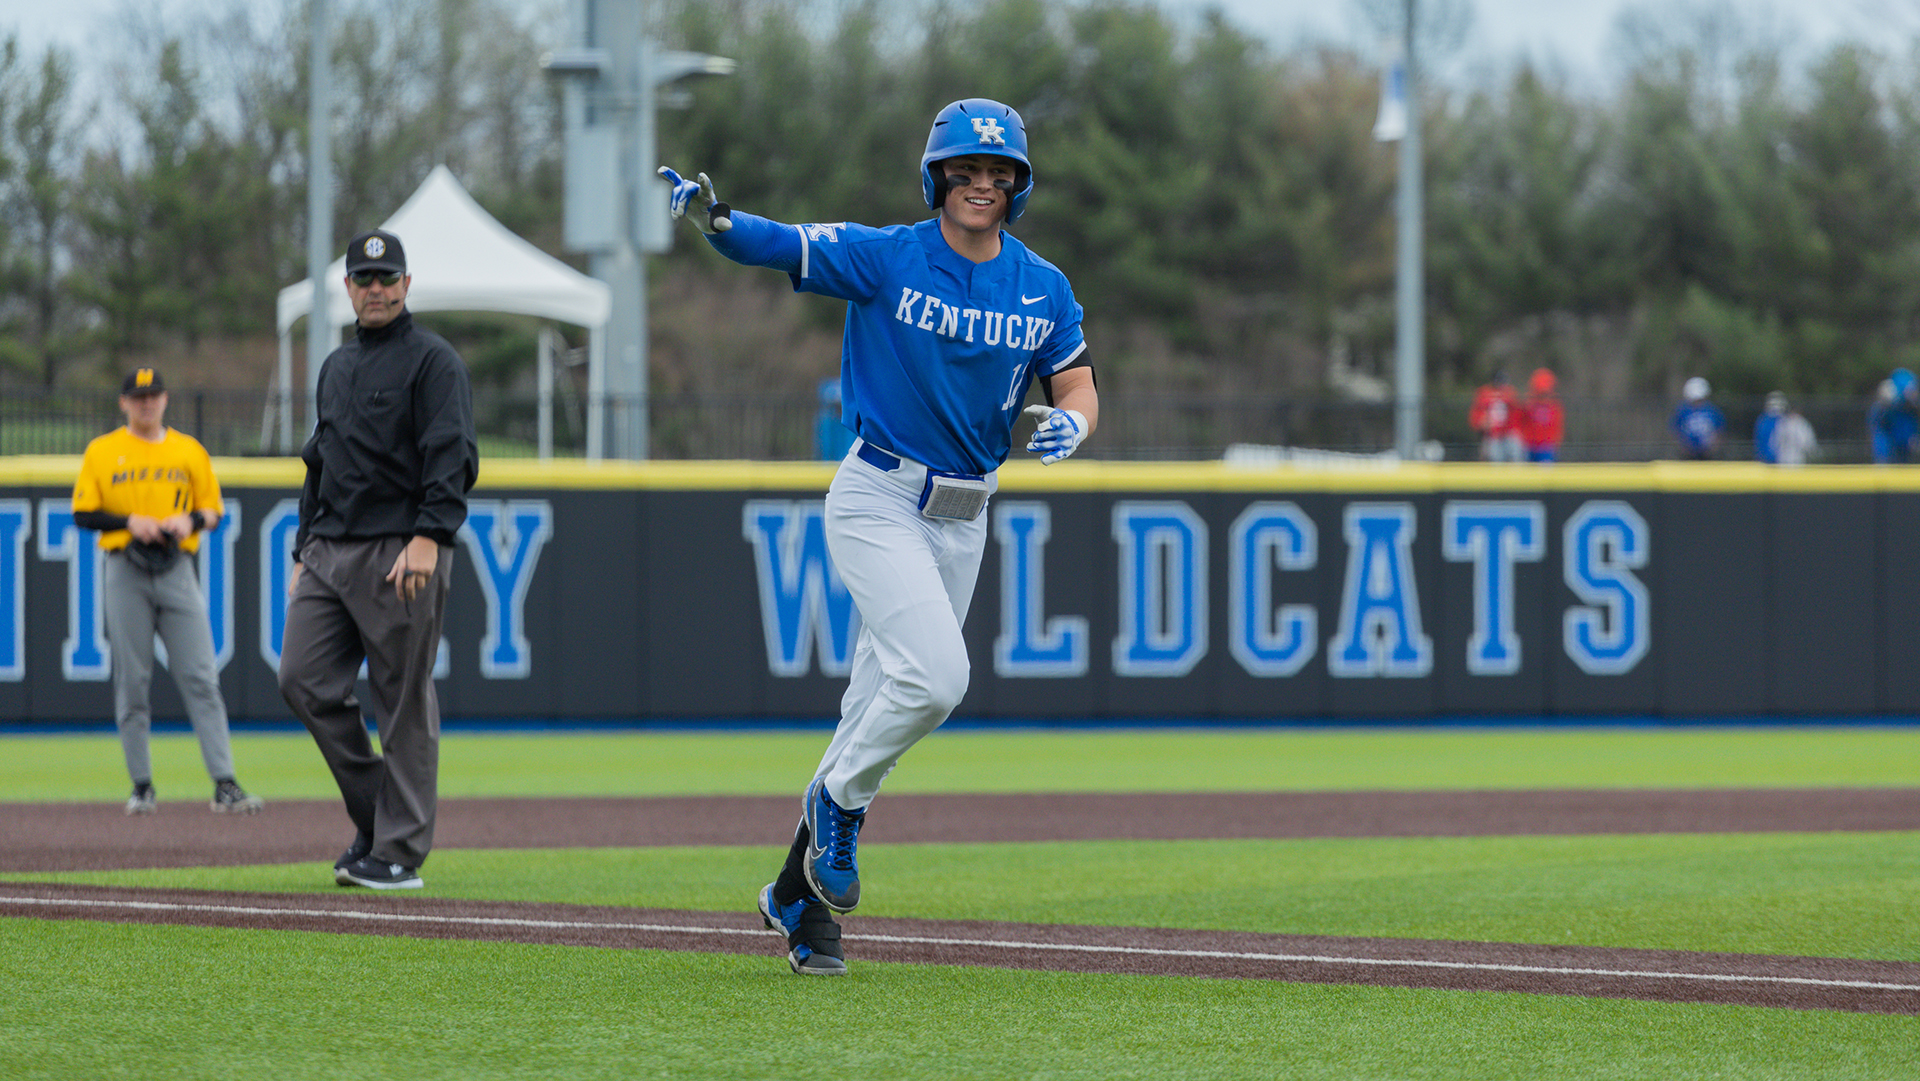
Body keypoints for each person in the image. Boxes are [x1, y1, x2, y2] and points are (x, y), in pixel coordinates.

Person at [659, 96, 1097, 976]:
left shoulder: (1043, 284)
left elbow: (1077, 385)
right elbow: (783, 244)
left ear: (1019, 184)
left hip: (965, 516)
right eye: (966, 171)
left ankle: (797, 897)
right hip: (878, 495)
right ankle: (838, 807)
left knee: (873, 710)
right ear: (937, 177)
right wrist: (719, 220)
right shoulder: (891, 255)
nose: (982, 184)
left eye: (998, 172)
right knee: (936, 679)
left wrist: (1075, 426)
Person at [278, 228, 477, 891]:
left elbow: (452, 456)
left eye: (387, 278)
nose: (376, 289)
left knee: (402, 702)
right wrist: (304, 548)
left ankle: (399, 853)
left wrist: (430, 537)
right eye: (364, 279)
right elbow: (318, 462)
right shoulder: (336, 366)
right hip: (329, 549)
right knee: (301, 679)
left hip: (401, 548)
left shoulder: (433, 360)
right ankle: (379, 814)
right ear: (348, 288)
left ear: (407, 284)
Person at [71, 368, 264, 816]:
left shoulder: (188, 450)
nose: (146, 403)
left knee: (200, 675)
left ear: (165, 399)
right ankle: (141, 785)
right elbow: (83, 514)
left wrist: (190, 521)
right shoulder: (103, 451)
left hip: (177, 566)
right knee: (133, 680)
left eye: (153, 395)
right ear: (124, 403)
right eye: (138, 396)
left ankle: (225, 783)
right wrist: (128, 522)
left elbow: (212, 510)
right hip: (125, 568)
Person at [1468, 369, 1523, 461]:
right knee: (1494, 458)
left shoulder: (1510, 393)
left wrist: (1516, 429)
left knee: (1516, 450)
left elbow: (1517, 414)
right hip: (1491, 435)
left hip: (1507, 433)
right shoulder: (1484, 393)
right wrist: (1481, 423)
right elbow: (1476, 418)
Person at [1755, 391, 1816, 466]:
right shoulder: (1784, 422)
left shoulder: (1784, 422)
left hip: (1788, 461)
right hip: (1787, 461)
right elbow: (1807, 443)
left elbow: (1774, 441)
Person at [1870, 369, 1917, 464]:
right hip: (1889, 447)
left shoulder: (1910, 408)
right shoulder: (1885, 407)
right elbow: (1879, 429)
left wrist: (1914, 436)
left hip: (1904, 446)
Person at [1517, 367, 1563, 463]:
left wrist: (1553, 443)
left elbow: (1557, 428)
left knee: (1545, 473)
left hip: (1546, 447)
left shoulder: (1554, 406)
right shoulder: (1528, 404)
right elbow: (1520, 422)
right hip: (1529, 445)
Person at [1672, 376, 1724, 460]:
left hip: (1707, 453)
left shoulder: (1712, 411)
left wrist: (1712, 448)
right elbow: (1676, 431)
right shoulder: (1682, 411)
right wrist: (1684, 448)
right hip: (1687, 453)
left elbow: (1718, 431)